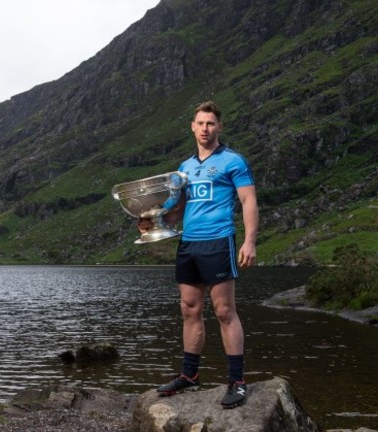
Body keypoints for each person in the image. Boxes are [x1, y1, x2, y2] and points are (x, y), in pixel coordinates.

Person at [138, 101, 258, 408]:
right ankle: (189, 375)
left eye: (210, 124)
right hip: (189, 244)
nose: (205, 129)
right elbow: (178, 212)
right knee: (189, 308)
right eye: (200, 123)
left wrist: (249, 242)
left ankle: (237, 381)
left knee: (224, 311)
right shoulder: (184, 168)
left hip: (219, 241)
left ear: (219, 127)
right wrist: (153, 221)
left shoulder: (233, 161)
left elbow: (248, 203)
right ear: (192, 127)